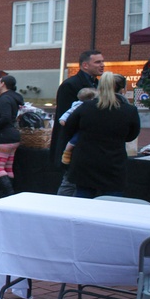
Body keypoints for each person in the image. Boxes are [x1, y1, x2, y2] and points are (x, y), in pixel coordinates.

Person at [62, 72, 141, 199]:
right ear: (123, 89)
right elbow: (131, 136)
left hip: (85, 161)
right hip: (113, 163)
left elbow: (68, 128)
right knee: (111, 205)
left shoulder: (86, 107)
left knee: (83, 202)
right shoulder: (129, 110)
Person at [51, 49, 104, 195]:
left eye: (102, 61)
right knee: (70, 182)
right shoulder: (70, 85)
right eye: (98, 62)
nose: (102, 65)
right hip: (76, 143)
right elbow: (65, 118)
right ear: (85, 65)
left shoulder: (98, 84)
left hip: (91, 144)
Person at [0, 75, 24, 199]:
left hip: (2, 137)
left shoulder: (4, 99)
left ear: (2, 84)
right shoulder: (12, 99)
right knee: (7, 168)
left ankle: (9, 195)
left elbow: (5, 117)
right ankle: (7, 196)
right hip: (11, 137)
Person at [58, 87, 97, 164]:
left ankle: (67, 153)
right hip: (81, 128)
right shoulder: (80, 106)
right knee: (74, 140)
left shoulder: (84, 105)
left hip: (84, 127)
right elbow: (68, 113)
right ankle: (66, 154)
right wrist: (63, 119)